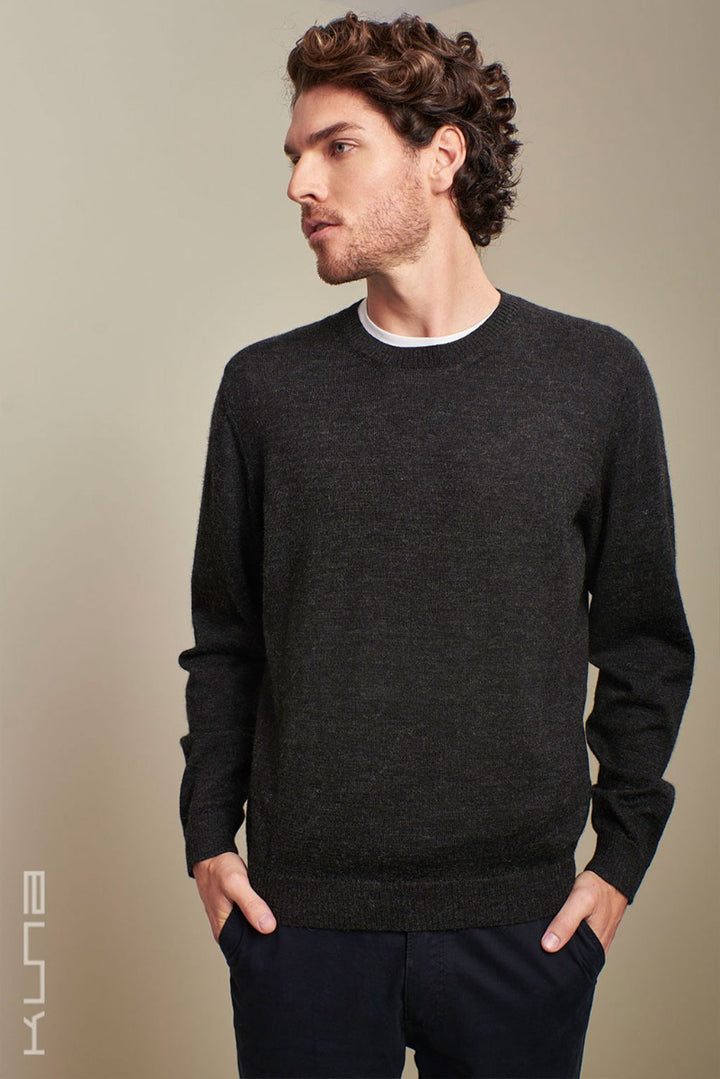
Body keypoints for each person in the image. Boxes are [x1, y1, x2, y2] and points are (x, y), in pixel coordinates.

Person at [177, 11, 695, 1078]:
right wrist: (208, 843)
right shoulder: (266, 390)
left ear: (442, 156)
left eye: (338, 147)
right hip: (299, 926)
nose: (300, 184)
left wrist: (619, 861)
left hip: (524, 929)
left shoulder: (594, 380)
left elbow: (645, 642)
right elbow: (227, 640)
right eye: (295, 155)